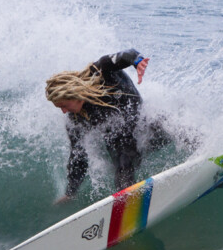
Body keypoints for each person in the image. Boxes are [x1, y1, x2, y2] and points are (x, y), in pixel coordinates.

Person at [46, 49, 163, 203]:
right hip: (120, 138)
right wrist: (71, 191)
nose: (64, 111)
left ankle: (202, 149)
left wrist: (137, 61)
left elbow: (125, 55)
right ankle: (127, 205)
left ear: (74, 94)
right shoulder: (75, 119)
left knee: (165, 122)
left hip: (142, 123)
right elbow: (78, 156)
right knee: (123, 164)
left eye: (64, 105)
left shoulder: (100, 72)